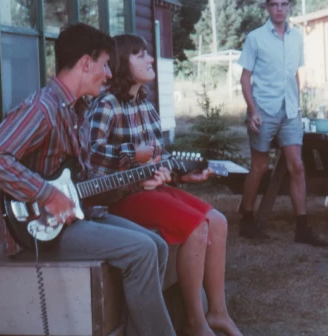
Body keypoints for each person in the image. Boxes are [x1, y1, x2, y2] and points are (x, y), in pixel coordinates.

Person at [0, 23, 176, 336]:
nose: (109, 74)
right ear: (85, 63)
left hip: (74, 215)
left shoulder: (74, 110)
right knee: (142, 251)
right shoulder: (42, 108)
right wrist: (46, 195)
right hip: (38, 230)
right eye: (105, 64)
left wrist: (139, 181)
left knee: (158, 246)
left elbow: (80, 183)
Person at [88, 34, 242, 336]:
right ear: (121, 63)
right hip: (115, 197)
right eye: (140, 55)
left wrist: (180, 175)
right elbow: (91, 155)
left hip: (147, 190)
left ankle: (218, 313)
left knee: (218, 221)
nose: (150, 59)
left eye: (148, 54)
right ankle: (194, 322)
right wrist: (135, 158)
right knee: (196, 227)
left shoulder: (145, 105)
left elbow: (160, 158)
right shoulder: (105, 104)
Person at [237, 0, 328, 247]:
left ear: (289, 7)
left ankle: (302, 227)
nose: (279, 9)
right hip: (263, 110)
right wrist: (252, 110)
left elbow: (295, 75)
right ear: (267, 8)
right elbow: (245, 77)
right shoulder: (255, 38)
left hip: (290, 111)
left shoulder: (297, 37)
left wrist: (297, 105)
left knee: (297, 166)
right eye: (274, 4)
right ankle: (247, 219)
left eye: (284, 4)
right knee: (260, 166)